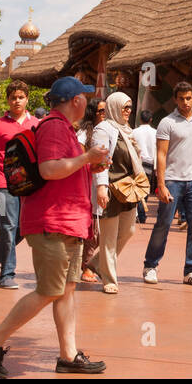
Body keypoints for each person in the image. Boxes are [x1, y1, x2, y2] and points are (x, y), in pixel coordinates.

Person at [0, 77, 110, 378]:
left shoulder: (63, 128)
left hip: (68, 222)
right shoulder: (54, 126)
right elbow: (49, 169)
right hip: (53, 222)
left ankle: (69, 355)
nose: (87, 103)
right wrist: (87, 157)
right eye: (85, 98)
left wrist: (89, 165)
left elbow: (63, 166)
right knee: (49, 290)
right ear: (75, 100)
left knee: (65, 291)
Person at [142, 82, 192, 286]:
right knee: (163, 224)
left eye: (189, 98)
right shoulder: (167, 122)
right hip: (172, 181)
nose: (185, 102)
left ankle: (191, 270)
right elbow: (161, 155)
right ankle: (150, 266)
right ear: (175, 99)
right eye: (181, 98)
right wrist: (161, 185)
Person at [0, 81, 38, 289]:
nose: (17, 101)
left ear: (27, 98)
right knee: (7, 226)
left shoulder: (36, 124)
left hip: (29, 185)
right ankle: (7, 274)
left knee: (25, 228)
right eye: (13, 97)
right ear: (8, 100)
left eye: (21, 97)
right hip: (2, 184)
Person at [87, 91, 148, 293]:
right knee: (109, 238)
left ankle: (96, 263)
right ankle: (109, 279)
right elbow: (100, 161)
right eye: (124, 107)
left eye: (130, 107)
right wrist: (101, 188)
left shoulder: (127, 130)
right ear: (114, 107)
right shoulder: (103, 129)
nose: (128, 111)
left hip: (128, 189)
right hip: (111, 189)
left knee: (128, 231)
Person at [78, 100, 106, 284]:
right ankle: (86, 266)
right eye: (101, 110)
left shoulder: (109, 130)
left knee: (102, 230)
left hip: (105, 183)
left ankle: (92, 264)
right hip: (88, 185)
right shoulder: (83, 134)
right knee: (93, 232)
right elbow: (79, 159)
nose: (104, 113)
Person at [132, 109, 157, 224]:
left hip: (137, 162)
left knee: (135, 187)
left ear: (140, 119)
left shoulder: (134, 132)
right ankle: (141, 214)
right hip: (150, 163)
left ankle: (136, 213)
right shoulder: (156, 133)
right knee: (145, 189)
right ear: (151, 120)